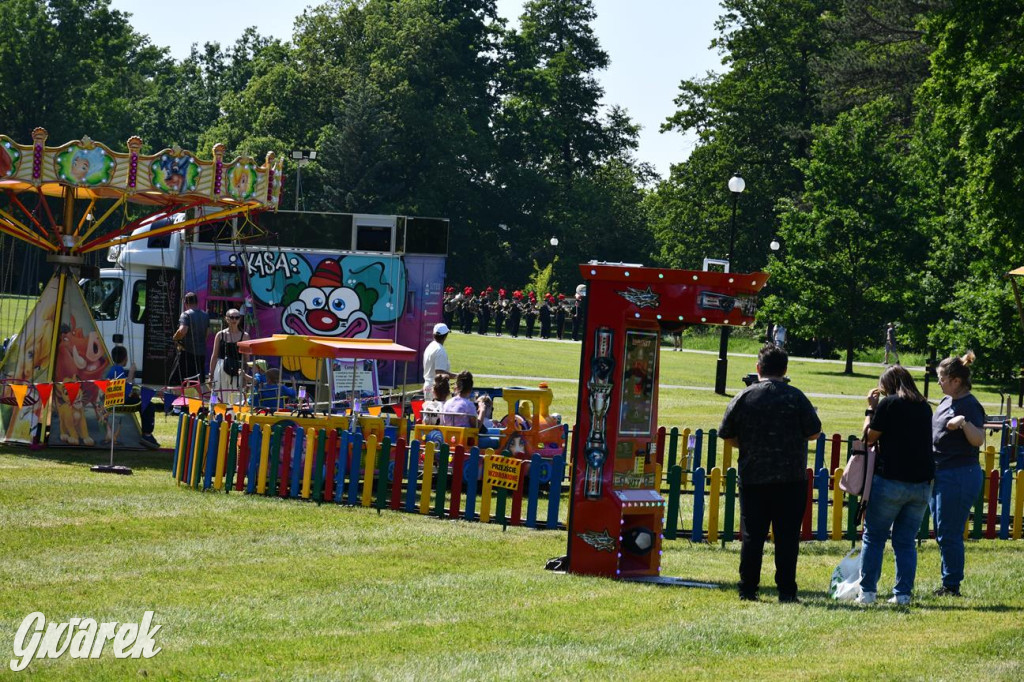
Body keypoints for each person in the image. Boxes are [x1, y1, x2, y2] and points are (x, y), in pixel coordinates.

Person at [719, 344, 822, 603]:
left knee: (752, 536)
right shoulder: (796, 397)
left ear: (758, 368)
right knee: (787, 537)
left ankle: (748, 589)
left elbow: (727, 434)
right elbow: (813, 432)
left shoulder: (744, 397)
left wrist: (748, 444)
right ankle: (786, 591)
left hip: (754, 477)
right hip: (791, 479)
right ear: (785, 369)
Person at [856, 365, 934, 605]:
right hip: (921, 483)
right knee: (905, 541)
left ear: (888, 386)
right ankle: (902, 594)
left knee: (874, 536)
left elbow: (869, 438)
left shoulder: (889, 404)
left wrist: (871, 409)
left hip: (891, 478)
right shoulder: (924, 407)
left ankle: (867, 592)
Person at [931, 350, 985, 597]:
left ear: (956, 380)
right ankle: (948, 580)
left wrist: (964, 423)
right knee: (944, 530)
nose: (939, 382)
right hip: (942, 473)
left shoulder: (970, 405)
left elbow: (977, 441)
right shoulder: (945, 402)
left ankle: (951, 585)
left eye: (942, 378)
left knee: (949, 531)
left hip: (960, 474)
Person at [105, 345, 159, 449]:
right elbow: (127, 387)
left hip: (118, 399)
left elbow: (124, 387)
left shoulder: (113, 369)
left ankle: (146, 434)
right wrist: (131, 372)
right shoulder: (118, 370)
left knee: (145, 403)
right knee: (149, 405)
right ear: (125, 358)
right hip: (120, 402)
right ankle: (147, 435)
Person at [210, 308, 249, 404]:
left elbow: (246, 358)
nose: (234, 320)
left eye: (237, 317)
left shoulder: (245, 336)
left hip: (238, 368)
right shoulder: (220, 335)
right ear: (226, 319)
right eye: (232, 317)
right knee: (216, 391)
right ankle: (212, 411)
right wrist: (211, 374)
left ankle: (234, 415)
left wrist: (245, 377)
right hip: (221, 366)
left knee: (236, 395)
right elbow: (214, 356)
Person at [172, 291, 209, 386]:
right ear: (197, 302)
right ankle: (195, 400)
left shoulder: (186, 314)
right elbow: (206, 334)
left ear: (185, 303)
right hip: (201, 355)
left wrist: (175, 338)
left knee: (177, 381)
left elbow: (183, 330)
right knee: (196, 383)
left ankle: (177, 400)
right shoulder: (205, 315)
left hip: (187, 354)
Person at [422, 322, 451, 400]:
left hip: (429, 386)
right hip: (436, 389)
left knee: (428, 411)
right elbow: (440, 373)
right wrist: (457, 376)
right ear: (445, 336)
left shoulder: (431, 346)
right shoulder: (440, 350)